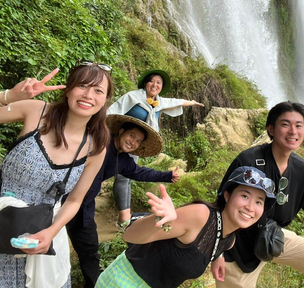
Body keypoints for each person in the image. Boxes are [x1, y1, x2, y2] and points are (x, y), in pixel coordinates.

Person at [212, 101, 304, 288]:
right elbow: (219, 208)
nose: (293, 131)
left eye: (298, 126)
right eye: (285, 124)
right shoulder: (249, 161)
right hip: (236, 246)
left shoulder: (301, 169)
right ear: (271, 129)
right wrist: (217, 253)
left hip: (272, 237)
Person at [0, 61, 114, 288]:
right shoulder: (37, 111)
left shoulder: (95, 147)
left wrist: (51, 233)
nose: (88, 95)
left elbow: (74, 200)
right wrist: (10, 95)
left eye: (98, 90)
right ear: (69, 89)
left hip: (39, 233)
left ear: (105, 100)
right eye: (82, 85)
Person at [95, 166, 277, 288]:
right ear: (227, 195)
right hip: (122, 281)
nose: (250, 207)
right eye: (245, 196)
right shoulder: (200, 215)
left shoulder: (228, 240)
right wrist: (158, 220)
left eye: (259, 202)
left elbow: (214, 240)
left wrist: (217, 256)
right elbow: (130, 236)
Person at [66, 114, 180, 288]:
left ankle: (94, 285)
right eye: (131, 136)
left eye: (138, 141)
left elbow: (142, 173)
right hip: (62, 199)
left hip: (85, 208)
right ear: (121, 131)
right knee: (50, 243)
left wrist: (168, 176)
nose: (133, 142)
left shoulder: (124, 161)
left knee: (90, 251)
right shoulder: (99, 142)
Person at [107, 69, 204, 223]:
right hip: (120, 139)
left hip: (134, 145)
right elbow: (112, 111)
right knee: (121, 175)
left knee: (126, 175)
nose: (155, 85)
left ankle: (123, 217)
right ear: (146, 83)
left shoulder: (159, 103)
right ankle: (123, 217)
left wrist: (192, 102)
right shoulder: (133, 97)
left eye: (159, 83)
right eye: (152, 81)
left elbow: (175, 101)